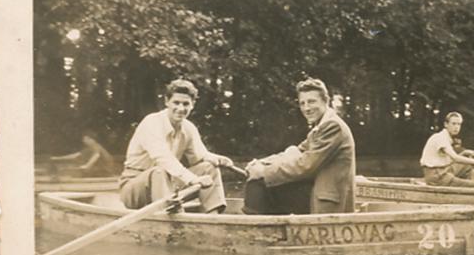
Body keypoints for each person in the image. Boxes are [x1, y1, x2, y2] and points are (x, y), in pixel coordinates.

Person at [119, 79, 233, 214]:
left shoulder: (188, 128)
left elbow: (200, 156)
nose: (181, 109)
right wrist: (193, 179)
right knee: (158, 172)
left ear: (193, 105)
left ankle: (212, 219)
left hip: (168, 184)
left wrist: (218, 159)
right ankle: (173, 220)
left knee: (209, 167)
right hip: (135, 188)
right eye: (176, 103)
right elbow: (163, 159)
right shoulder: (152, 122)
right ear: (167, 101)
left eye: (186, 104)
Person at [243, 78, 356, 215]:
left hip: (328, 202)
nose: (306, 108)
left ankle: (254, 226)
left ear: (325, 101)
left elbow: (306, 165)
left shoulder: (332, 126)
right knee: (264, 184)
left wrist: (263, 172)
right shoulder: (320, 126)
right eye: (302, 103)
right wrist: (261, 163)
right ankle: (263, 224)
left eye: (311, 102)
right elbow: (296, 152)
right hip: (315, 192)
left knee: (260, 182)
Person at [420, 111, 474, 188]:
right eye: (453, 124)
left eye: (459, 124)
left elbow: (447, 160)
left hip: (443, 171)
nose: (456, 127)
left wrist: (464, 153)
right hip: (438, 177)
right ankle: (472, 186)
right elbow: (455, 158)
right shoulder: (440, 138)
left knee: (468, 165)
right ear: (446, 124)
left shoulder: (446, 137)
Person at [49, 131, 116, 177]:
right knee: (72, 171)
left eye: (85, 139)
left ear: (92, 139)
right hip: (101, 170)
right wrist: (57, 158)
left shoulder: (96, 146)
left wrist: (87, 166)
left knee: (74, 173)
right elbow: (75, 155)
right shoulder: (89, 148)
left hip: (106, 171)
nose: (83, 141)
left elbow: (96, 155)